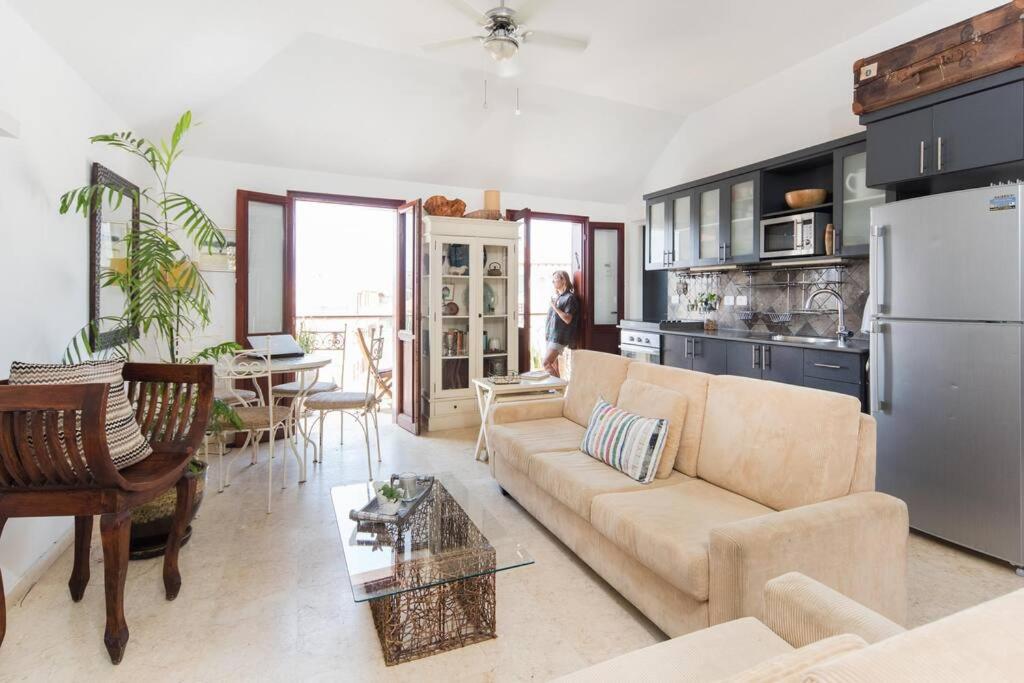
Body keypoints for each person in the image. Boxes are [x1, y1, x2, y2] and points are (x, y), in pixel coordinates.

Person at [543, 270, 579, 377]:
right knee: (554, 366)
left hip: (559, 337)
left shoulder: (570, 298)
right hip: (551, 336)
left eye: (555, 279)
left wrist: (554, 307)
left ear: (563, 280)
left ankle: (558, 389)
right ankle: (557, 392)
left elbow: (567, 319)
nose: (553, 282)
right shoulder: (558, 297)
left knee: (546, 363)